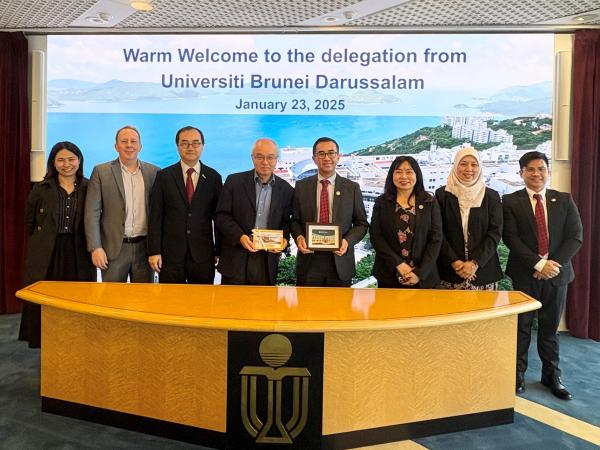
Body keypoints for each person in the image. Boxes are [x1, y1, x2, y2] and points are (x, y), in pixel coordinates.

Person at [503, 151, 583, 400]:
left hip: (557, 275)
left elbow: (575, 236)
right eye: (530, 169)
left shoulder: (564, 200)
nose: (536, 174)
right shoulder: (510, 201)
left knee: (550, 329)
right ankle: (517, 373)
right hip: (525, 274)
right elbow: (511, 238)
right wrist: (538, 264)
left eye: (541, 169)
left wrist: (552, 265)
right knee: (522, 327)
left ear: (548, 172)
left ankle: (552, 375)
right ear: (521, 173)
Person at [19, 141, 96, 348]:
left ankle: (76, 343)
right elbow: (30, 222)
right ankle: (46, 344)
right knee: (46, 300)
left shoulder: (90, 187)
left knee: (78, 300)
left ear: (79, 161)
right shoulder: (41, 188)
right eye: (60, 160)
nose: (66, 164)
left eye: (71, 159)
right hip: (48, 253)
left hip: (78, 252)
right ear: (53, 163)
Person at [85, 125, 160, 282]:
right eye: (124, 141)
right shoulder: (101, 171)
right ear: (116, 146)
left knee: (143, 300)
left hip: (145, 249)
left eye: (133, 141)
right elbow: (91, 213)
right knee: (111, 299)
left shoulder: (154, 172)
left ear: (140, 146)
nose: (129, 145)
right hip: (113, 249)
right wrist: (95, 247)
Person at [148, 126, 222, 284]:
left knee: (201, 302)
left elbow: (219, 218)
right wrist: (154, 251)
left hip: (203, 255)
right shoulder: (164, 176)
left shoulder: (214, 178)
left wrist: (219, 250)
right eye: (185, 143)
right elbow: (155, 216)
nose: (190, 148)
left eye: (195, 143)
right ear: (178, 146)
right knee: (170, 303)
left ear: (203, 146)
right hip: (170, 255)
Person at [290, 137, 368, 287]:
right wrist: (299, 237)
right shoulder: (301, 186)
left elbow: (361, 224)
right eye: (321, 154)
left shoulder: (352, 188)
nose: (327, 158)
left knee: (339, 309)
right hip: (309, 261)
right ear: (314, 158)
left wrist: (347, 242)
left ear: (338, 156)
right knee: (307, 309)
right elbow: (295, 220)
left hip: (340, 261)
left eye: (331, 153)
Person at [215, 138, 294, 285]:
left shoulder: (286, 190)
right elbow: (221, 216)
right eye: (260, 156)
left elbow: (286, 222)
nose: (265, 162)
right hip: (235, 256)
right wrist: (240, 237)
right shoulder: (234, 182)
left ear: (277, 159)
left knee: (262, 306)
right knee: (231, 306)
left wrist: (284, 241)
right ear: (252, 158)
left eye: (270, 157)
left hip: (266, 261)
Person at [435, 147, 503, 290]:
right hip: (449, 271)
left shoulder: (491, 196)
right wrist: (455, 262)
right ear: (455, 166)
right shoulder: (442, 194)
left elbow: (495, 232)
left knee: (484, 312)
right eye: (463, 163)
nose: (469, 169)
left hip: (483, 272)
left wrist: (474, 263)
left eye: (474, 164)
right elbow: (438, 232)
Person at [370, 156, 442, 288]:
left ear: (417, 175)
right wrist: (399, 264)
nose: (404, 176)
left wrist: (419, 273)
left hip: (424, 277)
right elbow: (376, 236)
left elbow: (436, 239)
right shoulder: (382, 202)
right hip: (389, 274)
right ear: (392, 175)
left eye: (409, 172)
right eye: (398, 172)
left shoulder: (429, 201)